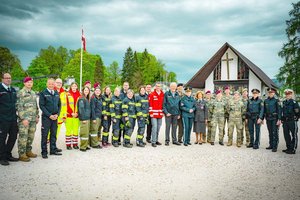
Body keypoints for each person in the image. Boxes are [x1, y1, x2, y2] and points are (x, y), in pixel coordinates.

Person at [16, 77, 39, 162]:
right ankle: (22, 154)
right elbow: (19, 107)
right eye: (28, 82)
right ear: (24, 83)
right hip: (25, 120)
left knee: (31, 136)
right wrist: (23, 118)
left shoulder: (33, 93)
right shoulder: (21, 93)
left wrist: (37, 116)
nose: (29, 83)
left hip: (33, 119)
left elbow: (35, 106)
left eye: (31, 82)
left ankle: (28, 151)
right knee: (23, 137)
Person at [39, 78, 62, 159]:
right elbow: (42, 106)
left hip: (55, 117)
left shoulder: (56, 93)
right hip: (46, 118)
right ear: (47, 84)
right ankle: (44, 152)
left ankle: (53, 150)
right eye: (49, 84)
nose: (51, 85)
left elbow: (59, 105)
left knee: (53, 134)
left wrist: (57, 114)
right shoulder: (43, 93)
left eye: (52, 84)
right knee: (45, 135)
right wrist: (49, 115)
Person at [0, 73, 19, 165]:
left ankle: (8, 154)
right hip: (2, 119)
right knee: (2, 138)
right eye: (6, 78)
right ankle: (2, 157)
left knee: (13, 136)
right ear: (2, 79)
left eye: (10, 78)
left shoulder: (13, 90)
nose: (8, 79)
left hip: (12, 118)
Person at [264, 88, 282, 152]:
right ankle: (271, 145)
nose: (270, 94)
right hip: (268, 118)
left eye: (272, 93)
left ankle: (275, 146)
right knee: (270, 132)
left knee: (275, 132)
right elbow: (264, 110)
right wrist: (262, 118)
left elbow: (279, 110)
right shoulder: (266, 101)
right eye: (269, 93)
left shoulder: (277, 100)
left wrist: (279, 119)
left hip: (275, 118)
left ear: (274, 93)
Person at [282, 89, 299, 154]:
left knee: (294, 135)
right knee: (286, 135)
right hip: (285, 121)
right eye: (286, 94)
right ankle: (288, 148)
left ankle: (293, 149)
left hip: (292, 120)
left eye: (289, 94)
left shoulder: (294, 102)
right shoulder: (284, 102)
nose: (288, 95)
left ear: (291, 95)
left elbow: (297, 112)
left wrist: (296, 118)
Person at [65, 82, 81, 150]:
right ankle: (68, 144)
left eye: (75, 86)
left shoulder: (79, 95)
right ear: (71, 87)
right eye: (73, 86)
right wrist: (71, 113)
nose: (74, 87)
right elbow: (66, 104)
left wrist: (77, 113)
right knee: (68, 130)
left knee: (75, 130)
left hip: (76, 116)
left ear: (77, 87)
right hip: (69, 115)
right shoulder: (67, 94)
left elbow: (80, 105)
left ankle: (75, 144)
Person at [149, 83, 164, 147]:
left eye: (159, 86)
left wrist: (163, 112)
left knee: (158, 128)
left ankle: (156, 140)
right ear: (155, 87)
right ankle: (153, 141)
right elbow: (150, 104)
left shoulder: (163, 94)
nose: (158, 87)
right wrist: (151, 113)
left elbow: (164, 104)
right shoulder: (152, 94)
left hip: (160, 115)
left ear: (161, 87)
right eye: (157, 86)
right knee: (154, 127)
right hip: (153, 115)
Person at [78, 86, 93, 151]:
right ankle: (82, 147)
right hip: (84, 119)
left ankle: (86, 145)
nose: (86, 91)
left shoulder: (86, 99)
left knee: (86, 133)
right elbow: (81, 109)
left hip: (87, 118)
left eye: (87, 90)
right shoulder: (81, 99)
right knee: (84, 133)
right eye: (85, 90)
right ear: (83, 91)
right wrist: (83, 119)